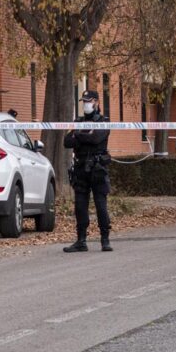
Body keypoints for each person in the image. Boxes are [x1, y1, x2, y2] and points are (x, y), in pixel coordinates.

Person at [63, 90, 112, 252]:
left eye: (88, 101)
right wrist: (82, 135)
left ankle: (105, 240)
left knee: (100, 205)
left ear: (96, 102)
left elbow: (96, 138)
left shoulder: (104, 121)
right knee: (80, 206)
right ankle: (81, 240)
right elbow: (67, 141)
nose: (85, 104)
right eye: (83, 101)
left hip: (97, 168)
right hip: (81, 168)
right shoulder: (79, 120)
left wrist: (79, 136)